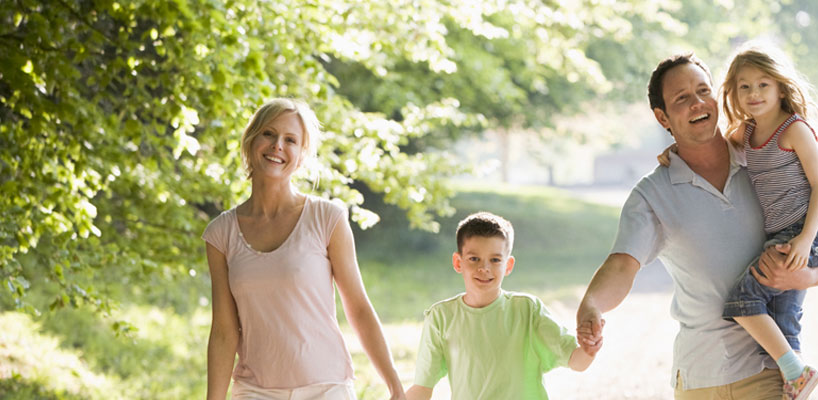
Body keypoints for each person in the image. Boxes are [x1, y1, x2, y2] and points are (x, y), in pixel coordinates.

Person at [576, 53, 818, 400]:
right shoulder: (652, 194)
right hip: (701, 378)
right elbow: (622, 264)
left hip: (768, 372)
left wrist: (809, 275)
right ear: (663, 118)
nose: (697, 103)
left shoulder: (762, 156)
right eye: (682, 99)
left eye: (703, 91)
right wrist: (591, 305)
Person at [656, 44, 818, 399]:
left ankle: (794, 372)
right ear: (732, 93)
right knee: (782, 316)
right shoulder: (745, 134)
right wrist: (676, 150)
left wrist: (805, 239)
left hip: (804, 234)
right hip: (779, 237)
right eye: (744, 87)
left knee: (743, 303)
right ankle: (794, 377)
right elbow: (707, 146)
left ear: (780, 87)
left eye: (763, 85)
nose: (754, 94)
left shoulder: (794, 130)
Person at [202, 98, 405, 399]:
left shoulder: (326, 217)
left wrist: (395, 387)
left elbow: (358, 308)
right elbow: (223, 331)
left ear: (301, 155)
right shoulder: (221, 233)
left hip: (326, 388)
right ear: (251, 141)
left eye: (290, 140)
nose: (277, 146)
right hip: (254, 391)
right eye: (269, 134)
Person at [405, 212, 600, 400]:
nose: (484, 268)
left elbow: (576, 361)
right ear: (458, 262)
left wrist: (589, 349)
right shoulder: (440, 317)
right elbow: (422, 387)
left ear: (508, 265)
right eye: (474, 258)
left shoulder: (528, 310)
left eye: (495, 260)